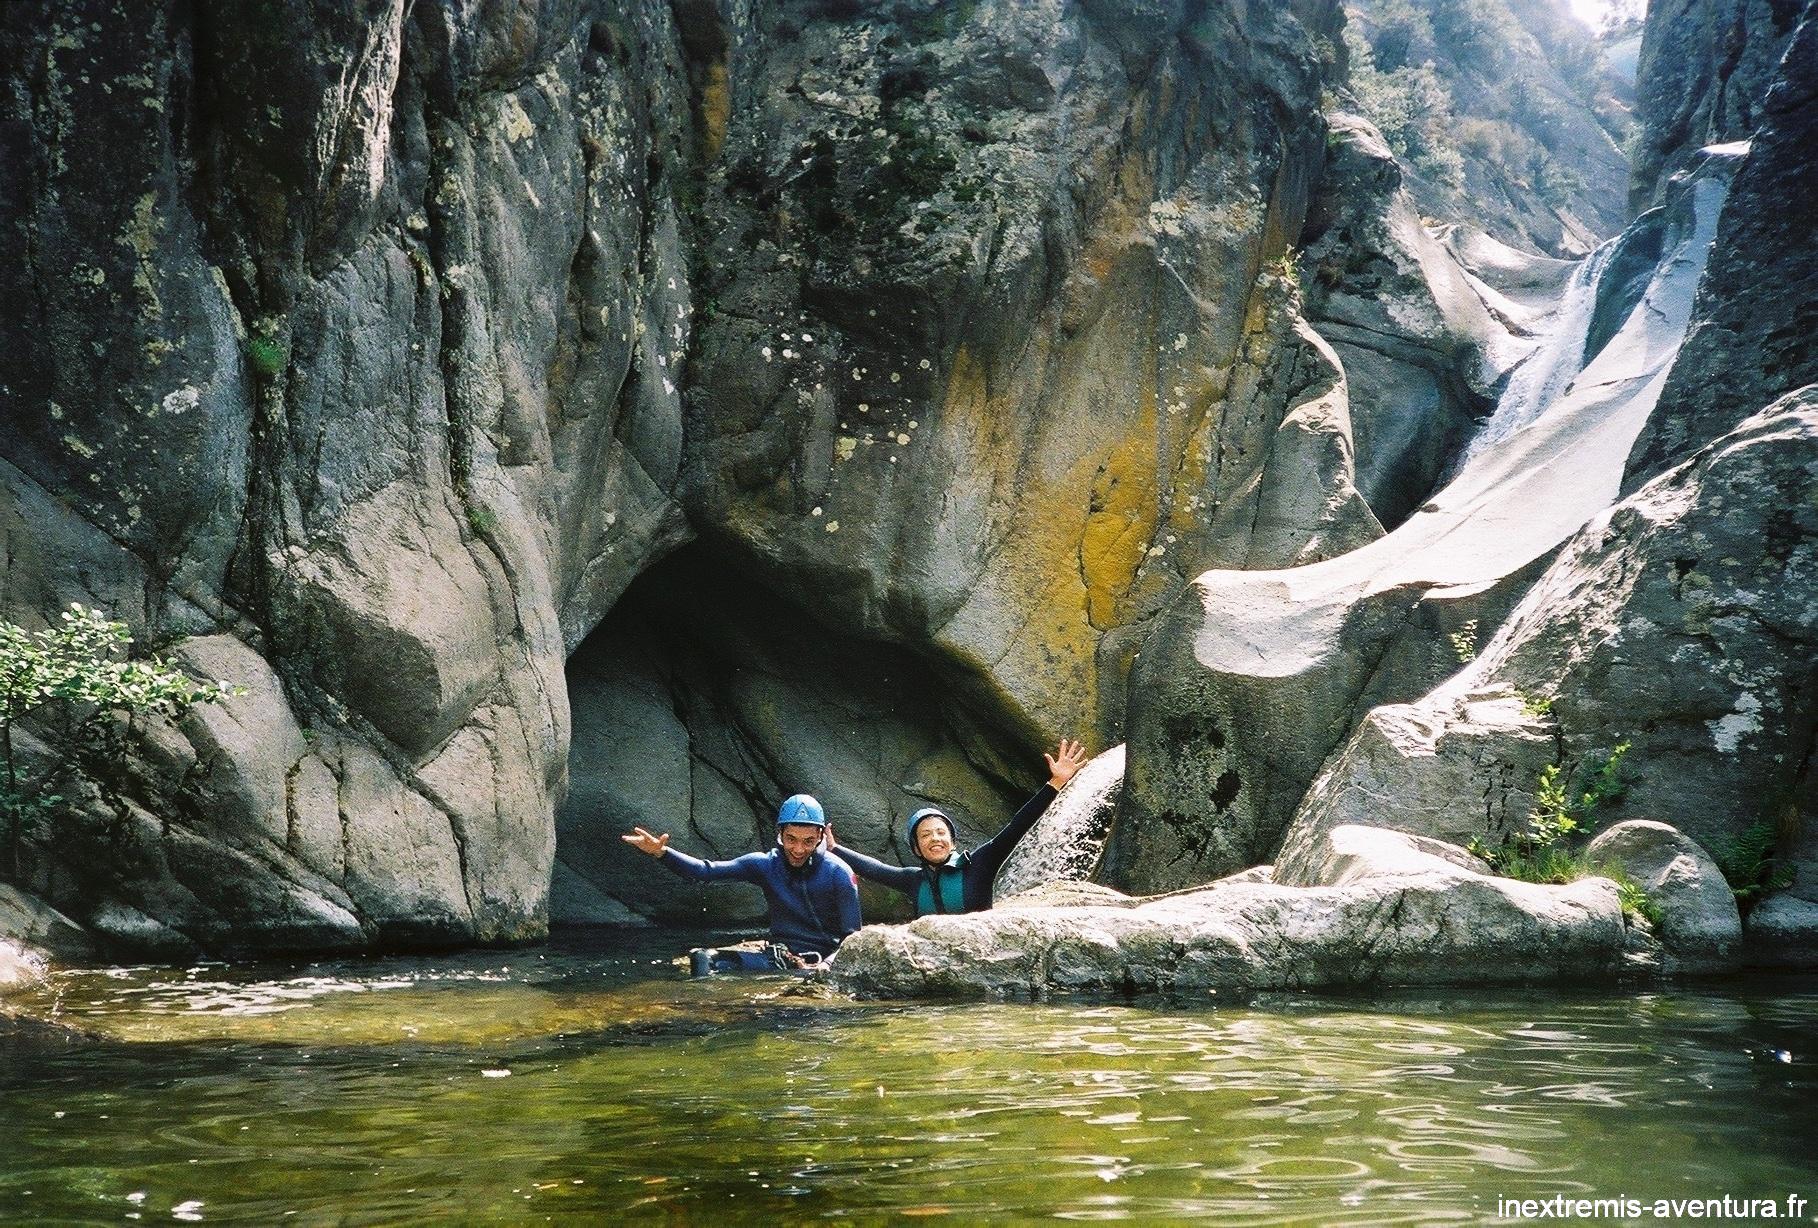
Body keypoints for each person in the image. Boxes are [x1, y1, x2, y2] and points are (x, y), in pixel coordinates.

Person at [829, 739, 1087, 916]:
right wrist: (834, 849)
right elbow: (876, 870)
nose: (935, 839)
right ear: (917, 849)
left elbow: (1017, 827)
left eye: (941, 833)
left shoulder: (981, 864)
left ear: (952, 842)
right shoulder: (913, 880)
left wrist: (1055, 783)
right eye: (926, 835)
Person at [621, 794, 861, 973]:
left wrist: (827, 966)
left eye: (808, 841)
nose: (798, 849)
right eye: (791, 839)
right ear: (780, 833)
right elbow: (703, 872)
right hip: (779, 959)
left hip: (822, 962)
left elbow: (854, 939)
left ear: (820, 836)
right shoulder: (765, 864)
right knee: (703, 959)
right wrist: (661, 853)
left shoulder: (838, 873)